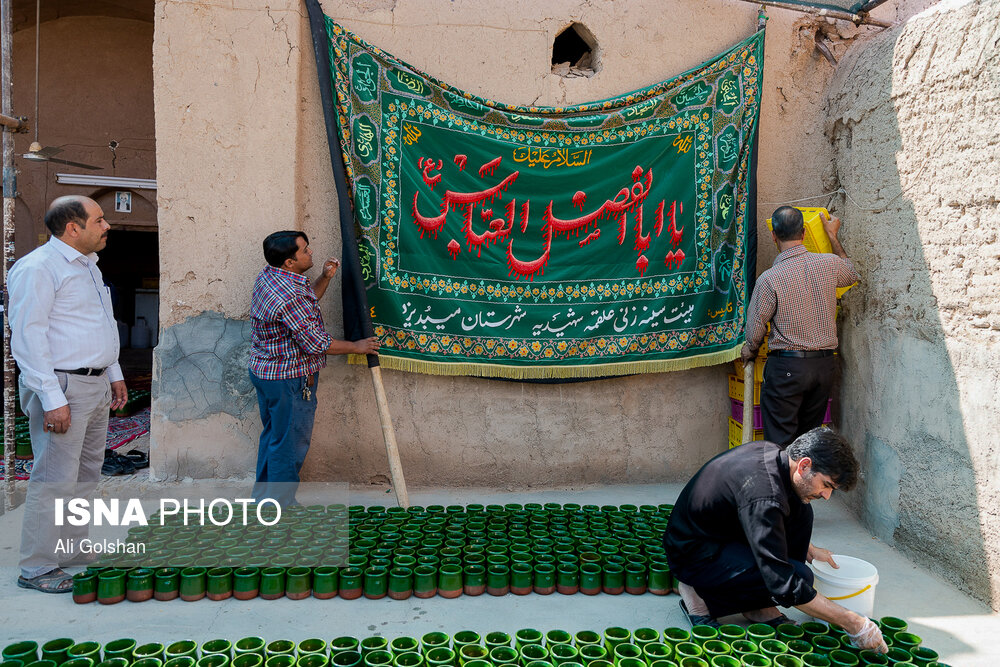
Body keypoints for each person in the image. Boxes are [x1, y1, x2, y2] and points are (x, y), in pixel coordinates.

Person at [664, 428, 887, 652]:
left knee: (802, 511)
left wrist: (808, 548)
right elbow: (785, 583)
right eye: (827, 485)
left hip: (721, 533)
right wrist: (853, 622)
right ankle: (698, 597)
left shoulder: (776, 457)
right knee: (798, 578)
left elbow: (760, 519)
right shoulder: (764, 495)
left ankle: (758, 606)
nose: (826, 495)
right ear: (804, 465)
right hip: (692, 552)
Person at [8, 195, 128, 593]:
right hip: (61, 385)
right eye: (99, 219)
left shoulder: (88, 267)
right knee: (53, 479)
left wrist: (113, 372)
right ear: (73, 228)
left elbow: (99, 325)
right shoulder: (39, 268)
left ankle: (72, 548)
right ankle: (37, 567)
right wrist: (52, 398)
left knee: (84, 475)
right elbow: (28, 337)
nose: (107, 225)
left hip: (92, 384)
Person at [248, 230, 379, 507]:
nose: (311, 252)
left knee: (274, 437)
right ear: (289, 262)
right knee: (289, 445)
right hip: (288, 379)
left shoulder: (271, 276)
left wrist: (325, 278)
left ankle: (263, 501)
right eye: (305, 250)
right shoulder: (288, 295)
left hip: (268, 373)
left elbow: (304, 306)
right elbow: (316, 343)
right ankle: (280, 508)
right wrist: (358, 346)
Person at [741, 207, 859, 447]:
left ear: (774, 236)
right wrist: (832, 236)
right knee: (808, 442)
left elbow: (755, 328)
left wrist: (749, 351)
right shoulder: (829, 264)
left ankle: (782, 485)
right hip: (823, 366)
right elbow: (852, 274)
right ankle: (806, 484)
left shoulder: (769, 279)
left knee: (780, 444)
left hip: (787, 368)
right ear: (804, 233)